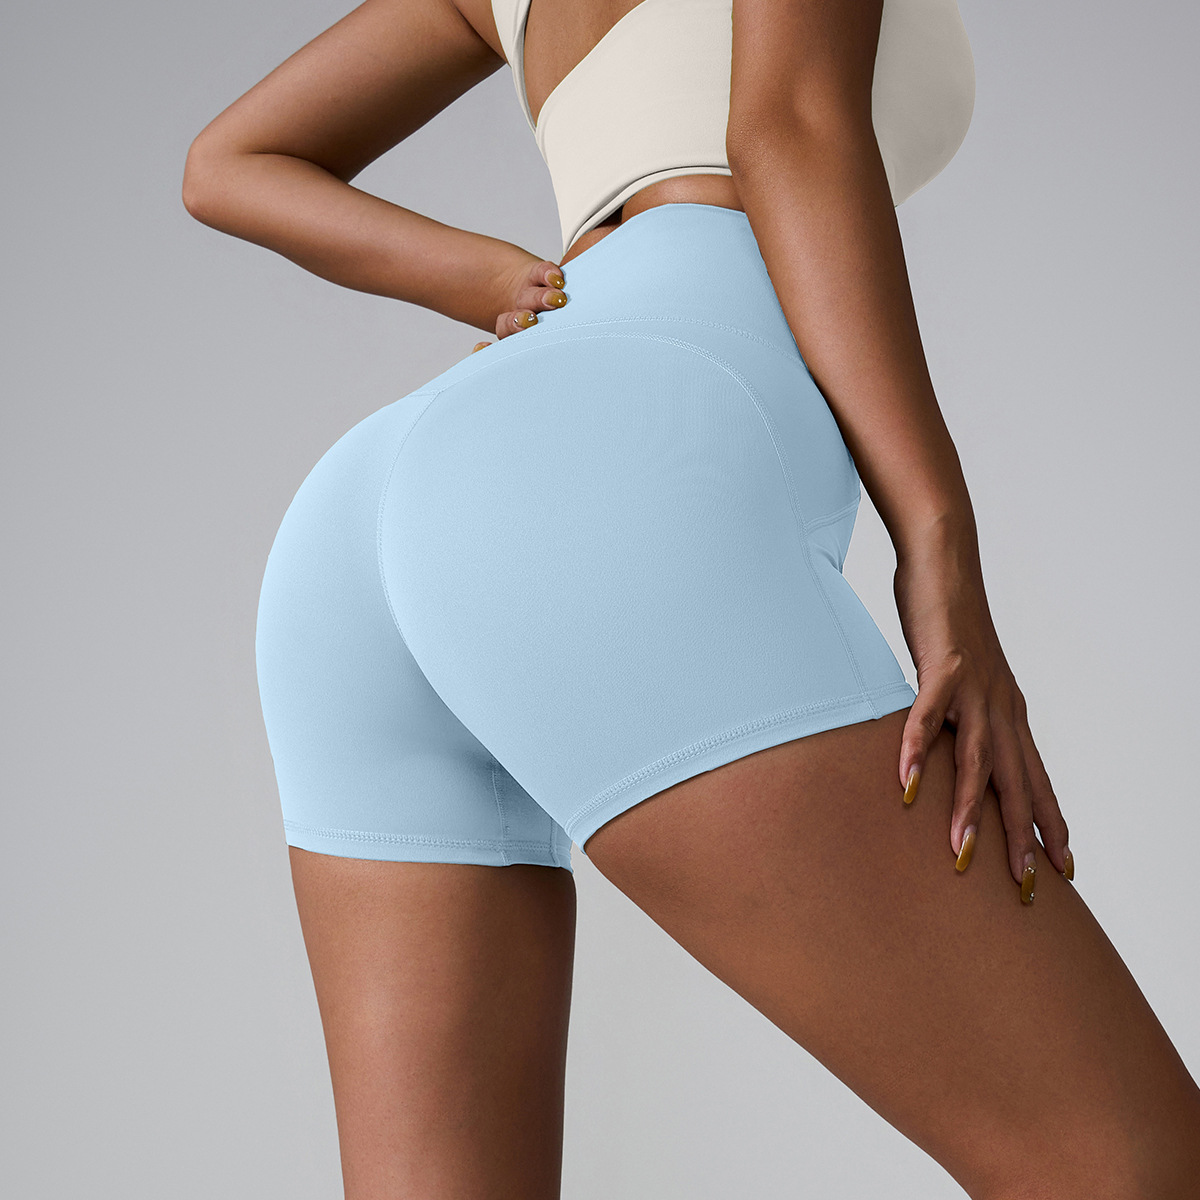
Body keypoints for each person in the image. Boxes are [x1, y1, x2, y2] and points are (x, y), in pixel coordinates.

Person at [181, 0, 1200, 1194]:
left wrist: (494, 281)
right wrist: (939, 547)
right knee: (1127, 1168)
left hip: (371, 516)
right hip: (617, 457)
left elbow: (226, 163)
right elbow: (788, 125)